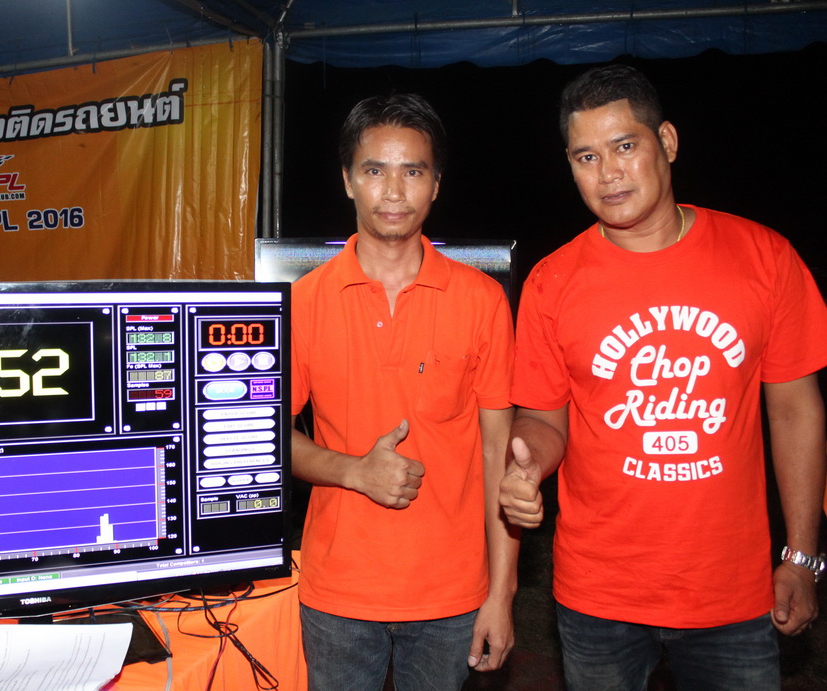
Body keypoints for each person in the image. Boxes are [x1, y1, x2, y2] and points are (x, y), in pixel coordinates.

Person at [500, 63, 827, 690]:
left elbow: (795, 410)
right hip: (598, 594)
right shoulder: (551, 281)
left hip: (732, 593)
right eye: (587, 157)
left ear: (667, 142)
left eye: (625, 146)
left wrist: (803, 555)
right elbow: (542, 418)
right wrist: (526, 465)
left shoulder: (765, 258)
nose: (608, 173)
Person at [291, 93, 518, 690]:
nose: (393, 191)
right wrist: (353, 471)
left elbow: (498, 455)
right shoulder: (304, 303)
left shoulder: (482, 301)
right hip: (338, 593)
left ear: (436, 184)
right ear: (347, 180)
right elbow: (263, 438)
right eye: (374, 170)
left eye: (413, 171)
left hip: (452, 597)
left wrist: (502, 593)